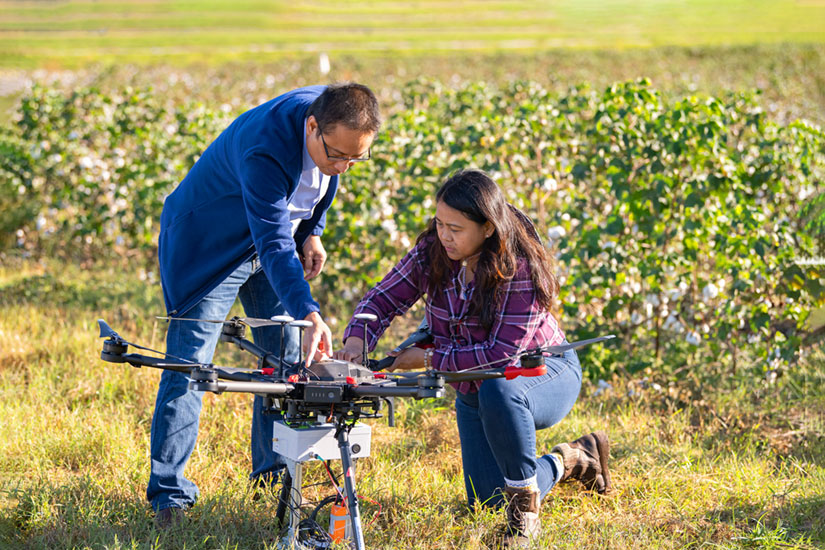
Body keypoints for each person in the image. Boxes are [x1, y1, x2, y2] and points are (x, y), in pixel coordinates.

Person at [334, 169, 611, 547]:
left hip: (543, 373)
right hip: (472, 387)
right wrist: (355, 341)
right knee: (488, 502)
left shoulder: (519, 269)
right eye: (439, 223)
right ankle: (573, 459)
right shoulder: (434, 251)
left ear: (488, 229)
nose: (444, 235)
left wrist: (430, 360)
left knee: (500, 389)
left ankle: (525, 522)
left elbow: (500, 357)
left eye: (456, 228)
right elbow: (381, 299)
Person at [150, 83, 381, 526]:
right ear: (311, 126)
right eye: (337, 155)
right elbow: (274, 241)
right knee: (190, 367)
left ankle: (271, 473)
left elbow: (321, 183)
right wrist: (309, 311)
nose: (344, 167)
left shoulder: (333, 116)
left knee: (285, 362)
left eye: (357, 158)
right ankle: (169, 495)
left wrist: (313, 228)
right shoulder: (266, 147)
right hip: (211, 247)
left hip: (268, 244)